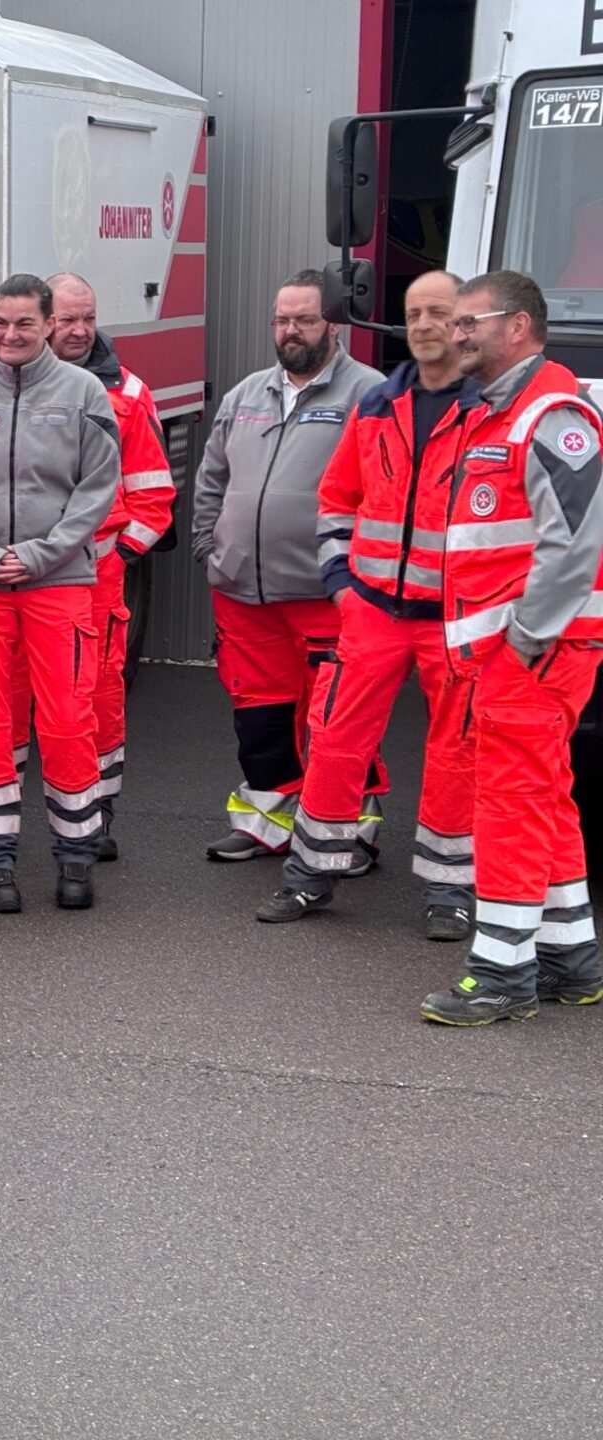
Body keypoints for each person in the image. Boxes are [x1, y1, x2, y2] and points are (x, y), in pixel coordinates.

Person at [257, 270, 479, 938]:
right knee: (335, 741)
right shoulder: (379, 404)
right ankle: (311, 875)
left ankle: (449, 891)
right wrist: (343, 588)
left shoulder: (493, 409)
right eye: (414, 313)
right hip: (374, 612)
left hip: (456, 619)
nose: (425, 325)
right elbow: (338, 501)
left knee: (456, 753)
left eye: (439, 312)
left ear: (464, 323)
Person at [419, 271, 603, 1025]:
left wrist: (523, 642)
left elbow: (577, 544)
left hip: (532, 652)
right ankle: (569, 958)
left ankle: (500, 974)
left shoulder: (550, 413)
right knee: (545, 798)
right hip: (516, 651)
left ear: (518, 326)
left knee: (511, 808)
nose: (453, 333)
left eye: (469, 321)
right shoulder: (504, 411)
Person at [0, 273, 122, 913]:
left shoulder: (84, 392)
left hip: (58, 582)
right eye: (1, 323)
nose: (11, 335)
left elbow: (97, 491)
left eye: (25, 324)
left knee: (67, 720)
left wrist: (37, 555)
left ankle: (75, 857)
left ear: (47, 325)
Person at [191, 270, 386, 861]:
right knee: (260, 715)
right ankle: (265, 822)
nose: (290, 331)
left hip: (325, 592)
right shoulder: (247, 394)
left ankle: (347, 832)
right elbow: (212, 478)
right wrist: (210, 545)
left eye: (303, 319)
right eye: (281, 319)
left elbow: (387, 492)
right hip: (243, 591)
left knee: (338, 718)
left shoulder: (370, 394)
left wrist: (358, 575)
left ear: (332, 321)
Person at [7, 272, 175, 861]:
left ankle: (94, 816)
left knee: (93, 702)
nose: (79, 331)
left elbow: (154, 497)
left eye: (89, 319)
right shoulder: (1, 386)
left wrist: (117, 557)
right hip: (12, 579)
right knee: (4, 700)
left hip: (94, 581)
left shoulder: (128, 394)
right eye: (66, 319)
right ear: (44, 319)